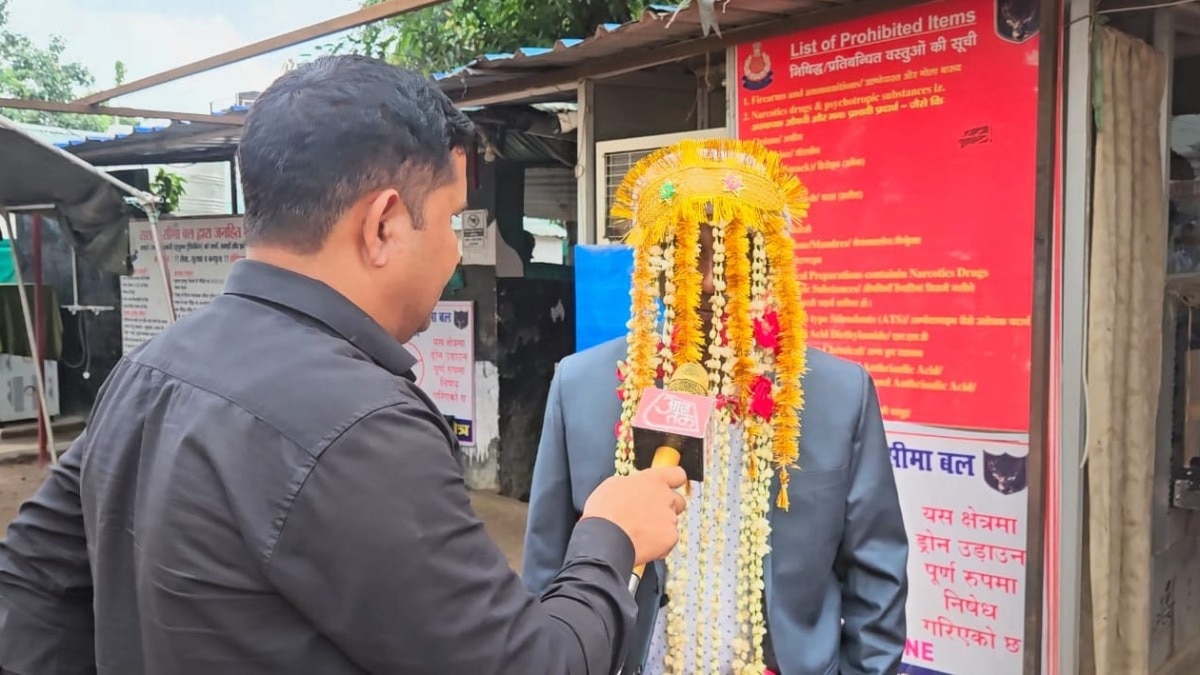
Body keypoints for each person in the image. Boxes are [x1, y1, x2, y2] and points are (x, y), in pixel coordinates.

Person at [0, 55, 690, 675]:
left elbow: (29, 575)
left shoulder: (149, 368)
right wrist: (610, 536)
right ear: (384, 223)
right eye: (451, 219)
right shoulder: (361, 425)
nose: (454, 253)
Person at [522, 139, 909, 675]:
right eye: (686, 252)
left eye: (731, 253)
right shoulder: (581, 386)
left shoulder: (839, 394)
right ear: (654, 265)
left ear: (769, 259)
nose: (707, 280)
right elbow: (547, 568)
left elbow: (878, 577)